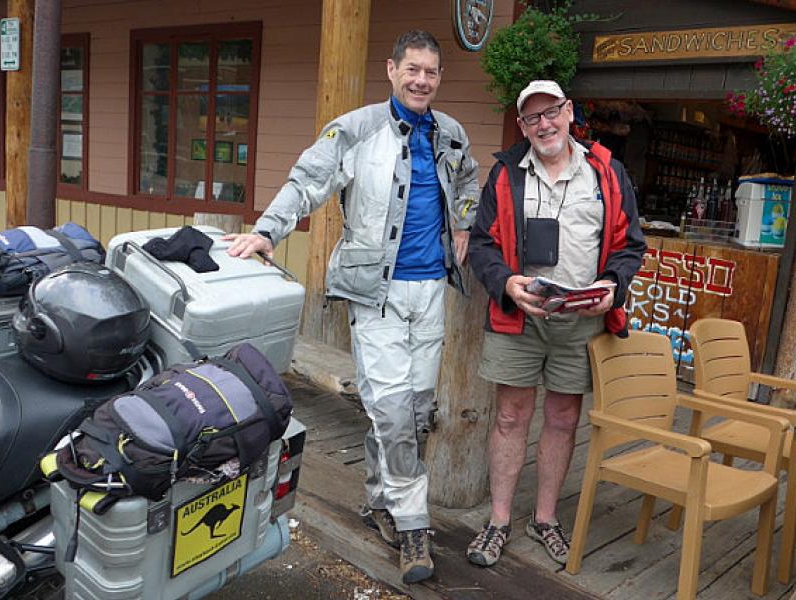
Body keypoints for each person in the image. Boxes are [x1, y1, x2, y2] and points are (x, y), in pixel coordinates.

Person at [225, 30, 479, 584]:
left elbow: (466, 183)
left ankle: (378, 502)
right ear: (391, 70)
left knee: (411, 414)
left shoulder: (451, 133)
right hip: (375, 293)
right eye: (412, 69)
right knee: (390, 410)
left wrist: (463, 223)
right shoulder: (356, 129)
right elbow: (307, 181)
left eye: (431, 72)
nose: (421, 80)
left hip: (431, 291)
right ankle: (414, 527)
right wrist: (269, 231)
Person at [466, 80, 645, 567]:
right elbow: (481, 244)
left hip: (581, 317)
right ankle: (499, 520)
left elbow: (632, 246)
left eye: (551, 113)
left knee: (564, 419)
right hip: (518, 317)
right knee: (509, 417)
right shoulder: (505, 174)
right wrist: (505, 282)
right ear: (522, 126)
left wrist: (612, 285)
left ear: (569, 113)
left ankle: (544, 518)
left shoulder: (607, 172)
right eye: (532, 118)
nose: (543, 124)